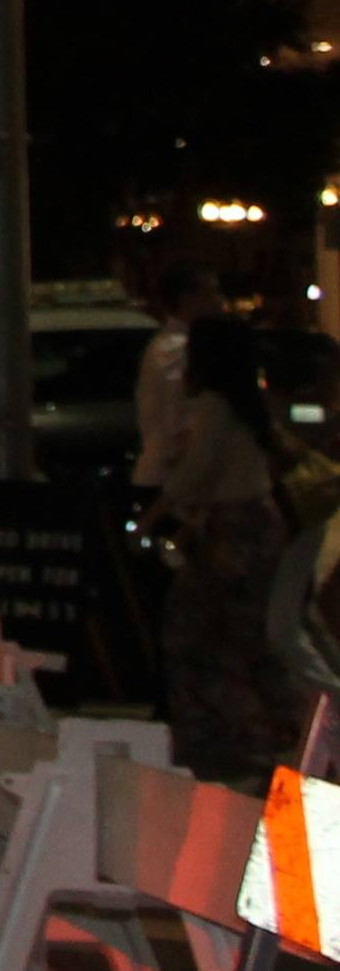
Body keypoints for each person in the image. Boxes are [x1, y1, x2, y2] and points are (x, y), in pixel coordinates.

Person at [157, 309, 308, 786]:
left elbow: (196, 473)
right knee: (251, 633)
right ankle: (284, 729)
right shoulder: (248, 405)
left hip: (231, 531)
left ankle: (228, 734)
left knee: (196, 634)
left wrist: (154, 515)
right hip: (257, 525)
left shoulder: (214, 406)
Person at [137, 260, 224, 494]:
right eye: (212, 292)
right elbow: (178, 421)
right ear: (188, 299)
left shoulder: (176, 346)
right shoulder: (178, 350)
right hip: (171, 480)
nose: (219, 301)